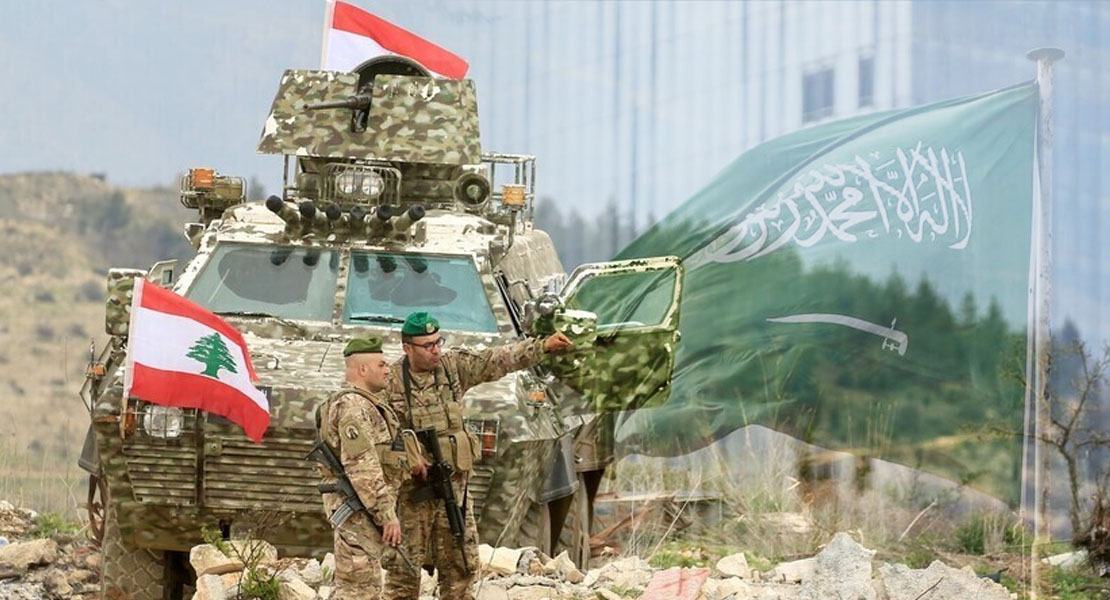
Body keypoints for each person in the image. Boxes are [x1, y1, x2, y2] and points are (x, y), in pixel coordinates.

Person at [382, 311, 573, 600]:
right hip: (412, 493)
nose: (436, 350)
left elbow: (498, 359)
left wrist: (542, 346)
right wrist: (408, 455)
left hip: (453, 489)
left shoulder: (453, 367)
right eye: (428, 345)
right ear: (407, 348)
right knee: (403, 572)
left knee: (460, 566)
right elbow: (375, 432)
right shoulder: (391, 381)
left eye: (439, 342)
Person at [315, 336, 412, 600]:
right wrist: (386, 514)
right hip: (358, 512)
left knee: (359, 588)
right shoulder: (353, 407)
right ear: (363, 369)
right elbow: (362, 467)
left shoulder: (365, 403)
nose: (388, 370)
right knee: (359, 591)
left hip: (363, 512)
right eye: (381, 364)